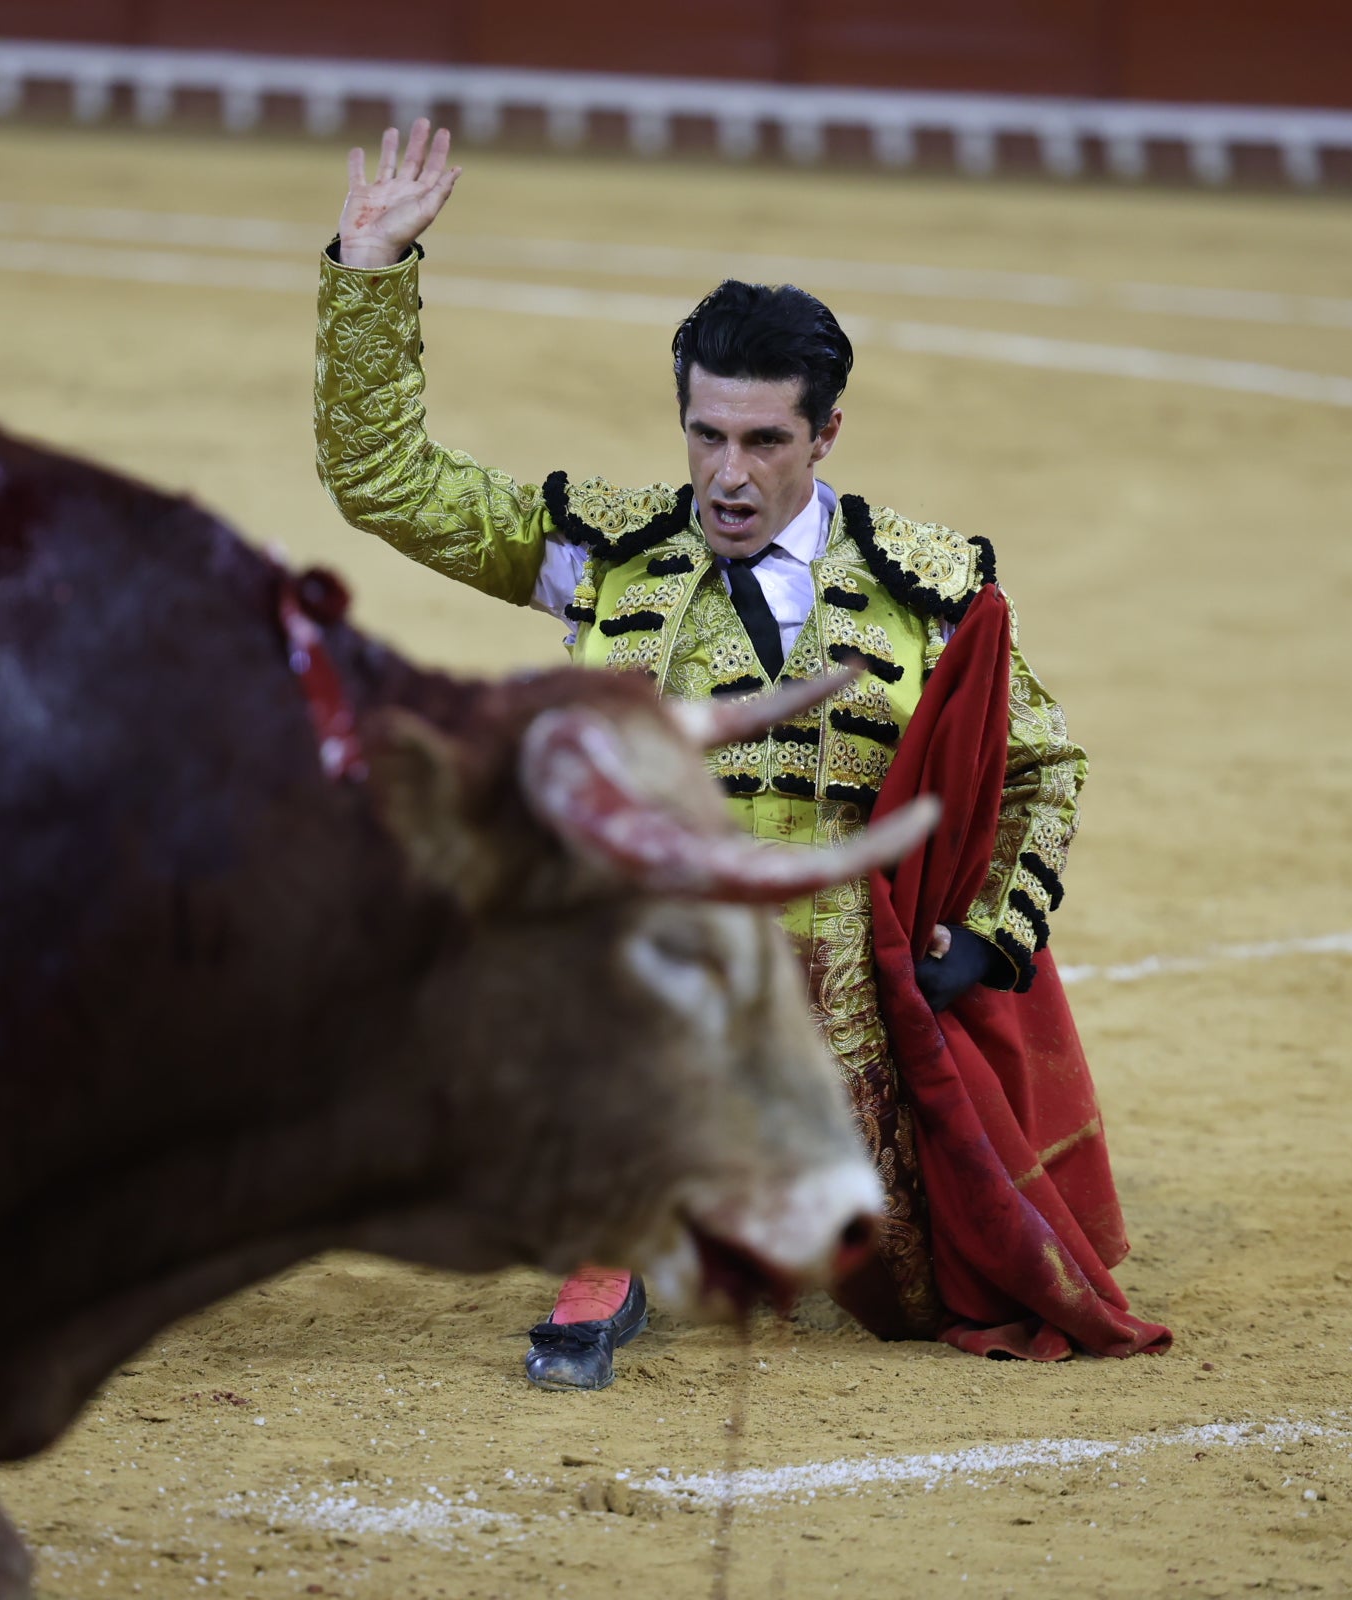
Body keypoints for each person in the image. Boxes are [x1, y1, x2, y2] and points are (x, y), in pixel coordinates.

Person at [314, 121, 1165, 1389]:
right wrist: (371, 270)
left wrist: (986, 938)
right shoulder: (605, 551)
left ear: (825, 436)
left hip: (856, 1011)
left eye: (763, 442)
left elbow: (1042, 769)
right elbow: (383, 477)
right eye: (706, 435)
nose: (726, 474)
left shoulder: (929, 590)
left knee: (927, 1273)